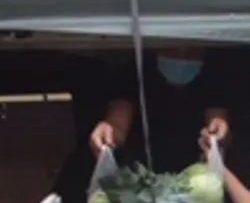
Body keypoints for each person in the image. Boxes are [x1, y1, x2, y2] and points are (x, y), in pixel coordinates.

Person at [89, 46, 230, 170]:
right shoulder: (136, 71)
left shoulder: (213, 74)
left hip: (197, 178)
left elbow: (216, 120)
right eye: (172, 47)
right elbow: (117, 122)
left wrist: (217, 131)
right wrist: (108, 131)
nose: (181, 54)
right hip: (142, 178)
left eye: (191, 49)